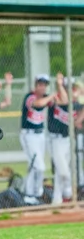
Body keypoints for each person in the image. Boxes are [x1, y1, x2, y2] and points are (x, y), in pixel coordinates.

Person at [20, 74, 56, 205]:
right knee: (38, 166)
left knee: (37, 166)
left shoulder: (46, 97)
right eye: (40, 84)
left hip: (40, 135)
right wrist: (52, 95)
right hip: (29, 135)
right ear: (35, 86)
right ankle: (31, 194)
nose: (42, 87)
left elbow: (62, 101)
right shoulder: (30, 97)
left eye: (45, 85)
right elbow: (38, 104)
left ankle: (34, 194)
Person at [48, 73, 71, 205]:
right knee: (64, 172)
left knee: (59, 172)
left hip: (67, 140)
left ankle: (57, 200)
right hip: (55, 140)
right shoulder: (55, 98)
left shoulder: (75, 103)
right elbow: (64, 100)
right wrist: (59, 85)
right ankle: (68, 192)